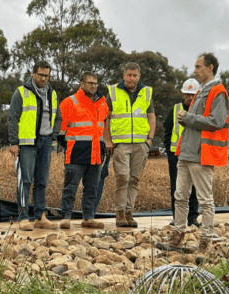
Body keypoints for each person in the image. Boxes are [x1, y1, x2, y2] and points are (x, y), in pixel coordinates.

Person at [163, 52, 229, 251]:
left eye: (198, 67)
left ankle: (206, 241)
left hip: (202, 154)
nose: (195, 71)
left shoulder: (218, 92)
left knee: (205, 199)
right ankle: (177, 236)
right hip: (187, 153)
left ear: (210, 68)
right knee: (180, 196)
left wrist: (188, 118)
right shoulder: (203, 91)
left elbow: (216, 122)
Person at [7, 60, 59, 231]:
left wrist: (54, 135)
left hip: (45, 142)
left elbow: (57, 116)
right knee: (25, 181)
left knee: (42, 181)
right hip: (27, 143)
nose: (44, 78)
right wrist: (14, 143)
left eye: (47, 75)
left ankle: (40, 216)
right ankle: (23, 217)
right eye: (41, 75)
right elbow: (12, 118)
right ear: (33, 73)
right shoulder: (21, 93)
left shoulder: (52, 93)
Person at [104, 62, 156, 228]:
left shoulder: (146, 93)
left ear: (139, 76)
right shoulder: (113, 92)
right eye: (128, 75)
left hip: (141, 144)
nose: (131, 78)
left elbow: (151, 117)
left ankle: (129, 213)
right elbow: (106, 118)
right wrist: (108, 140)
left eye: (134, 75)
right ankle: (119, 213)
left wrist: (149, 140)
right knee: (122, 178)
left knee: (134, 179)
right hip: (121, 144)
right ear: (124, 75)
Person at [56, 72, 108, 230]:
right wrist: (72, 147)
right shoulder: (69, 102)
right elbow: (60, 132)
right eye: (90, 83)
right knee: (70, 187)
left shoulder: (102, 103)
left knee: (92, 188)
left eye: (95, 83)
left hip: (96, 153)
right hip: (76, 154)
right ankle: (65, 217)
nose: (93, 86)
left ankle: (88, 217)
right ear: (81, 84)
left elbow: (103, 127)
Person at [164, 78, 200, 227]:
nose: (190, 98)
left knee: (194, 188)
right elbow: (167, 132)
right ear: (182, 93)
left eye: (193, 94)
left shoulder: (200, 111)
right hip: (176, 155)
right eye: (187, 94)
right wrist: (169, 152)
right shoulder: (174, 109)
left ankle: (192, 218)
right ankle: (177, 217)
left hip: (194, 155)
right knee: (177, 188)